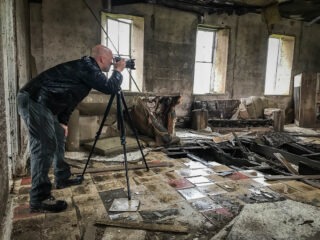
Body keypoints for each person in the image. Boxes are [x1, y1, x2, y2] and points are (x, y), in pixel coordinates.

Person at [17, 45, 126, 213]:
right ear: (102, 59)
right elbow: (110, 88)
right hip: (34, 100)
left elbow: (70, 98)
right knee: (43, 147)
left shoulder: (86, 69)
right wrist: (118, 71)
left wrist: (63, 122)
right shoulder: (88, 67)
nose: (112, 63)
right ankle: (39, 198)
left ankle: (62, 177)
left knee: (59, 136)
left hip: (45, 103)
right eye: (111, 61)